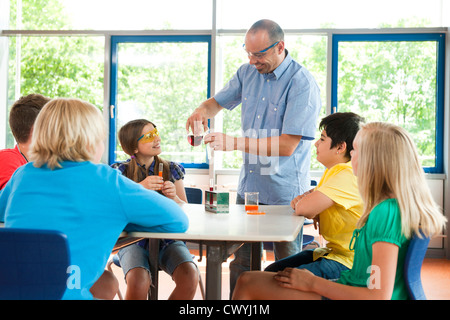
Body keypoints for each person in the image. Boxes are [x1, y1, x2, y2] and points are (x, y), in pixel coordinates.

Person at [233, 121, 447, 300]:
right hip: (350, 283)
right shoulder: (388, 206)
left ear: (374, 161)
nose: (351, 155)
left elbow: (378, 296)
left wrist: (312, 283)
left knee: (248, 282)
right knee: (251, 280)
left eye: (356, 150)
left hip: (352, 291)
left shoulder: (386, 213)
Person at [0, 98, 189, 300]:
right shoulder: (109, 182)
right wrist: (121, 216)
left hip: (14, 291)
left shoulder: (22, 175)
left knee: (106, 283)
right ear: (90, 141)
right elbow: (178, 220)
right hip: (68, 293)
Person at [186, 19, 322, 295]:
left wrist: (233, 143)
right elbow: (215, 103)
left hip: (285, 193)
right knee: (242, 263)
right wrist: (201, 112)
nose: (252, 60)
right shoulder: (247, 72)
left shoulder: (301, 83)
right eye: (247, 53)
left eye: (259, 54)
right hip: (249, 190)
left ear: (280, 47)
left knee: (285, 269)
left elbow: (287, 146)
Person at [264, 112, 364, 282]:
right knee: (271, 271)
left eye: (323, 139)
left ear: (340, 147)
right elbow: (308, 209)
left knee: (273, 280)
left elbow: (304, 208)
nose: (316, 143)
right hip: (334, 253)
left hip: (349, 263)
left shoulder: (346, 174)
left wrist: (306, 202)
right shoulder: (334, 172)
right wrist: (306, 202)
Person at [111, 119, 199, 300]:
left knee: (190, 277)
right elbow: (112, 208)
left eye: (156, 132)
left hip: (168, 241)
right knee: (139, 281)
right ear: (133, 147)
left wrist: (174, 197)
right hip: (132, 241)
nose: (157, 138)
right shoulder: (119, 171)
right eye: (149, 136)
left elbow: (186, 210)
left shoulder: (171, 169)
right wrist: (139, 187)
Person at [0, 94, 50, 190]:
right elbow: (16, 201)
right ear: (36, 130)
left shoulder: (39, 165)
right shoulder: (8, 159)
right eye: (52, 126)